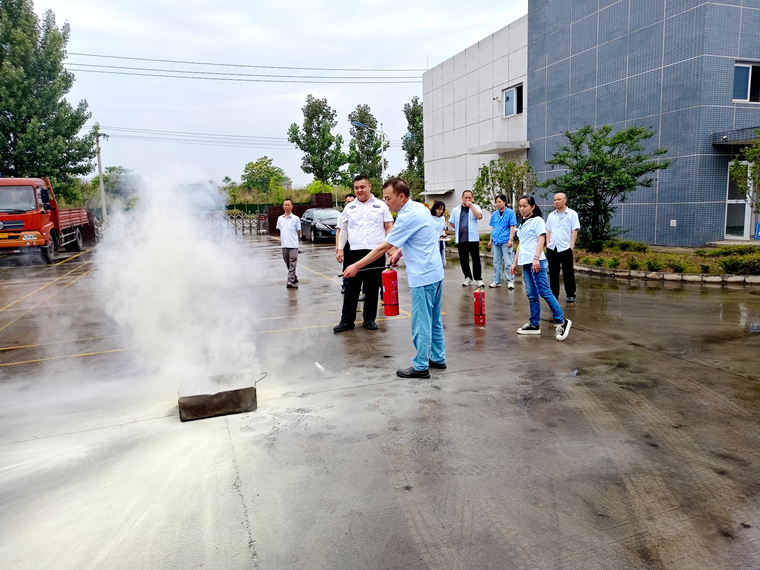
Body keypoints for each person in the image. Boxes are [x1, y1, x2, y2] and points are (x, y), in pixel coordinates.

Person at [344, 178, 445, 378]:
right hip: (435, 273)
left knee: (421, 322)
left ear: (401, 196)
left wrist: (356, 266)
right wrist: (399, 253)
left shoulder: (407, 216)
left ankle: (421, 366)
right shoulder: (420, 208)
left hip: (423, 277)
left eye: (388, 198)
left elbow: (382, 247)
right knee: (434, 319)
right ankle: (438, 357)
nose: (386, 202)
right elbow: (418, 237)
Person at [334, 175, 393, 332]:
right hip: (355, 252)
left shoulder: (381, 206)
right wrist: (340, 248)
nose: (359, 190)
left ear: (369, 186)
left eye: (362, 187)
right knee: (351, 288)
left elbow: (389, 227)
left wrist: (391, 248)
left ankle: (369, 320)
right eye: (356, 188)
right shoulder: (349, 208)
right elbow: (344, 230)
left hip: (376, 252)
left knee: (373, 288)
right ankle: (347, 321)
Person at [510, 196, 572, 341]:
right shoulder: (523, 223)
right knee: (532, 295)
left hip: (536, 262)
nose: (521, 209)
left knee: (544, 291)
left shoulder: (537, 220)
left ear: (532, 207)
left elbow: (541, 239)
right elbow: (521, 244)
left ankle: (561, 321)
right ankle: (534, 324)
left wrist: (536, 258)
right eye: (520, 206)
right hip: (526, 263)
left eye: (525, 206)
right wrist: (514, 263)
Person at [545, 192, 581, 303]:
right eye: (555, 200)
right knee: (553, 273)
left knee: (568, 272)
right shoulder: (551, 215)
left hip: (565, 247)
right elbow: (548, 230)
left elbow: (574, 230)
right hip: (553, 247)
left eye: (559, 199)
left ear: (565, 200)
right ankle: (554, 294)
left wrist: (571, 245)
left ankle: (570, 294)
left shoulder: (572, 214)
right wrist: (547, 243)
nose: (556, 202)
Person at [449, 190, 484, 287]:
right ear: (462, 198)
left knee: (476, 259)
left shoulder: (476, 207)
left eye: (470, 198)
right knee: (463, 260)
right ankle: (468, 277)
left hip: (473, 238)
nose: (468, 199)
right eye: (466, 198)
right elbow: (452, 222)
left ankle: (478, 279)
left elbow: (479, 216)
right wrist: (459, 229)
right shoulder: (456, 210)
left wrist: (471, 206)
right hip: (461, 238)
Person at [488, 194, 517, 289]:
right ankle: (497, 281)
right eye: (496, 202)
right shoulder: (494, 214)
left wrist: (511, 239)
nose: (498, 204)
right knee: (496, 262)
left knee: (508, 262)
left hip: (505, 240)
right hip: (496, 241)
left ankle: (510, 281)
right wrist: (490, 240)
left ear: (505, 202)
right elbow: (492, 227)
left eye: (500, 202)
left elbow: (512, 226)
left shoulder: (510, 213)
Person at [276, 198, 301, 289]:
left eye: (288, 205)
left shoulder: (296, 219)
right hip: (284, 245)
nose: (287, 206)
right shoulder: (280, 219)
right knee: (288, 264)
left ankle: (290, 282)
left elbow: (298, 231)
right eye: (285, 205)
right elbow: (280, 230)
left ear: (292, 206)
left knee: (292, 263)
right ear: (283, 207)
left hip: (293, 245)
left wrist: (296, 241)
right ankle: (294, 277)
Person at [336, 194, 356, 294]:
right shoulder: (342, 215)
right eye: (347, 202)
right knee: (347, 264)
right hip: (347, 243)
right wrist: (338, 246)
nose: (349, 204)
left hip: (357, 242)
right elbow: (339, 231)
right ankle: (345, 285)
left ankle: (358, 287)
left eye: (351, 202)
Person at [430, 200, 448, 268]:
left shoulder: (442, 218)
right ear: (435, 209)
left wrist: (444, 234)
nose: (440, 211)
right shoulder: (430, 218)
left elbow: (443, 228)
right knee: (435, 261)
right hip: (433, 241)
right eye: (439, 209)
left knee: (443, 262)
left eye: (442, 210)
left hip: (441, 241)